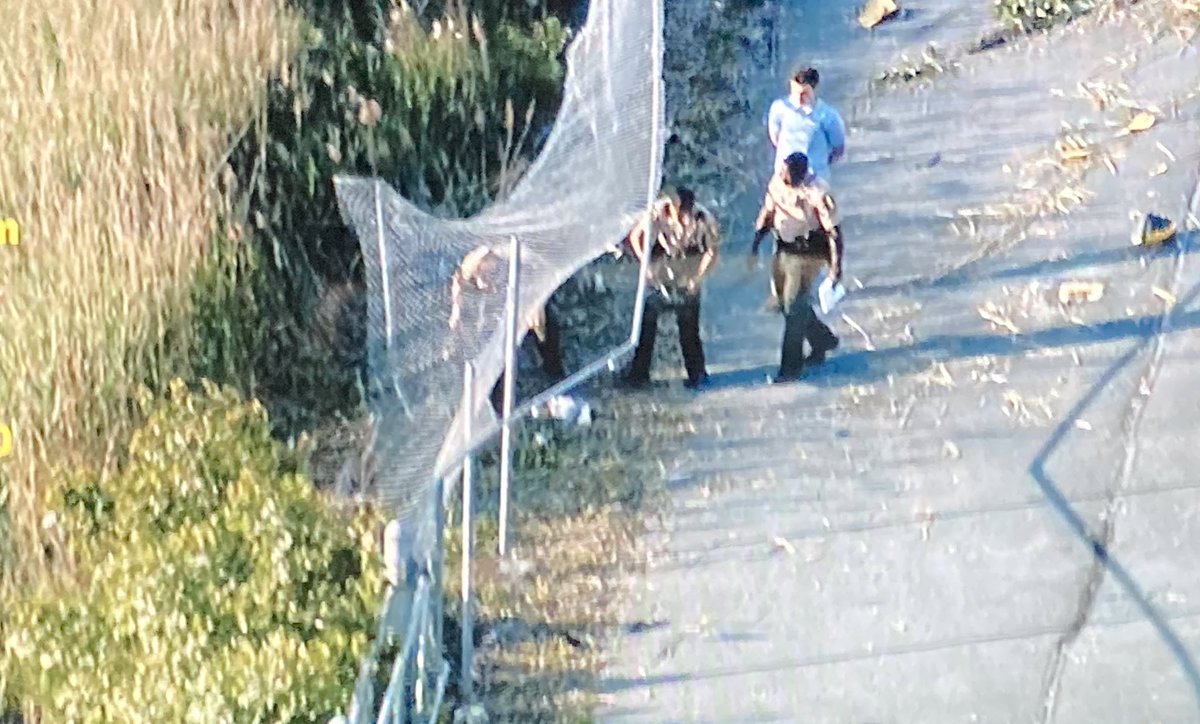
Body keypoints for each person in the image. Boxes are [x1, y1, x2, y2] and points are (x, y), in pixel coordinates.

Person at [748, 151, 843, 383]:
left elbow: (834, 233)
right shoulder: (777, 182)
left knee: (794, 309)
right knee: (785, 303)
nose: (782, 175)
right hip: (784, 247)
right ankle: (822, 339)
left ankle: (790, 369)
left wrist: (836, 268)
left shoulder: (818, 193)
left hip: (809, 251)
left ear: (800, 175)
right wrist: (755, 245)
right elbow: (768, 214)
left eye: (787, 173)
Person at [621, 185, 720, 390]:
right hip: (662, 263)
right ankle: (639, 374)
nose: (682, 217)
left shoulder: (703, 217)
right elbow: (635, 237)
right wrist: (646, 264)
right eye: (678, 213)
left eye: (686, 213)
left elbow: (712, 252)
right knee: (647, 323)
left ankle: (697, 374)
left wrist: (697, 278)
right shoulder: (657, 211)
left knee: (688, 326)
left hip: (689, 263)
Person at [766, 66, 846, 184]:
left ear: (814, 89)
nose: (799, 98)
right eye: (795, 92)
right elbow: (775, 139)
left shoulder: (827, 116)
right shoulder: (779, 108)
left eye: (804, 93)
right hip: (783, 181)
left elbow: (838, 149)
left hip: (815, 182)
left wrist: (819, 164)